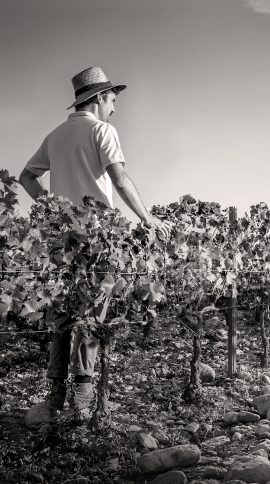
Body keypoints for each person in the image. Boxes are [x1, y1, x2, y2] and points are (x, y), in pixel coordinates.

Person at [19, 66, 171, 425]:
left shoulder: (55, 135)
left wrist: (51, 208)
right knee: (91, 315)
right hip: (97, 239)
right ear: (99, 97)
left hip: (61, 238)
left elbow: (27, 176)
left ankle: (55, 397)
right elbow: (119, 179)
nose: (115, 107)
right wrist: (147, 218)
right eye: (113, 99)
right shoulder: (103, 130)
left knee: (62, 316)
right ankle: (84, 401)